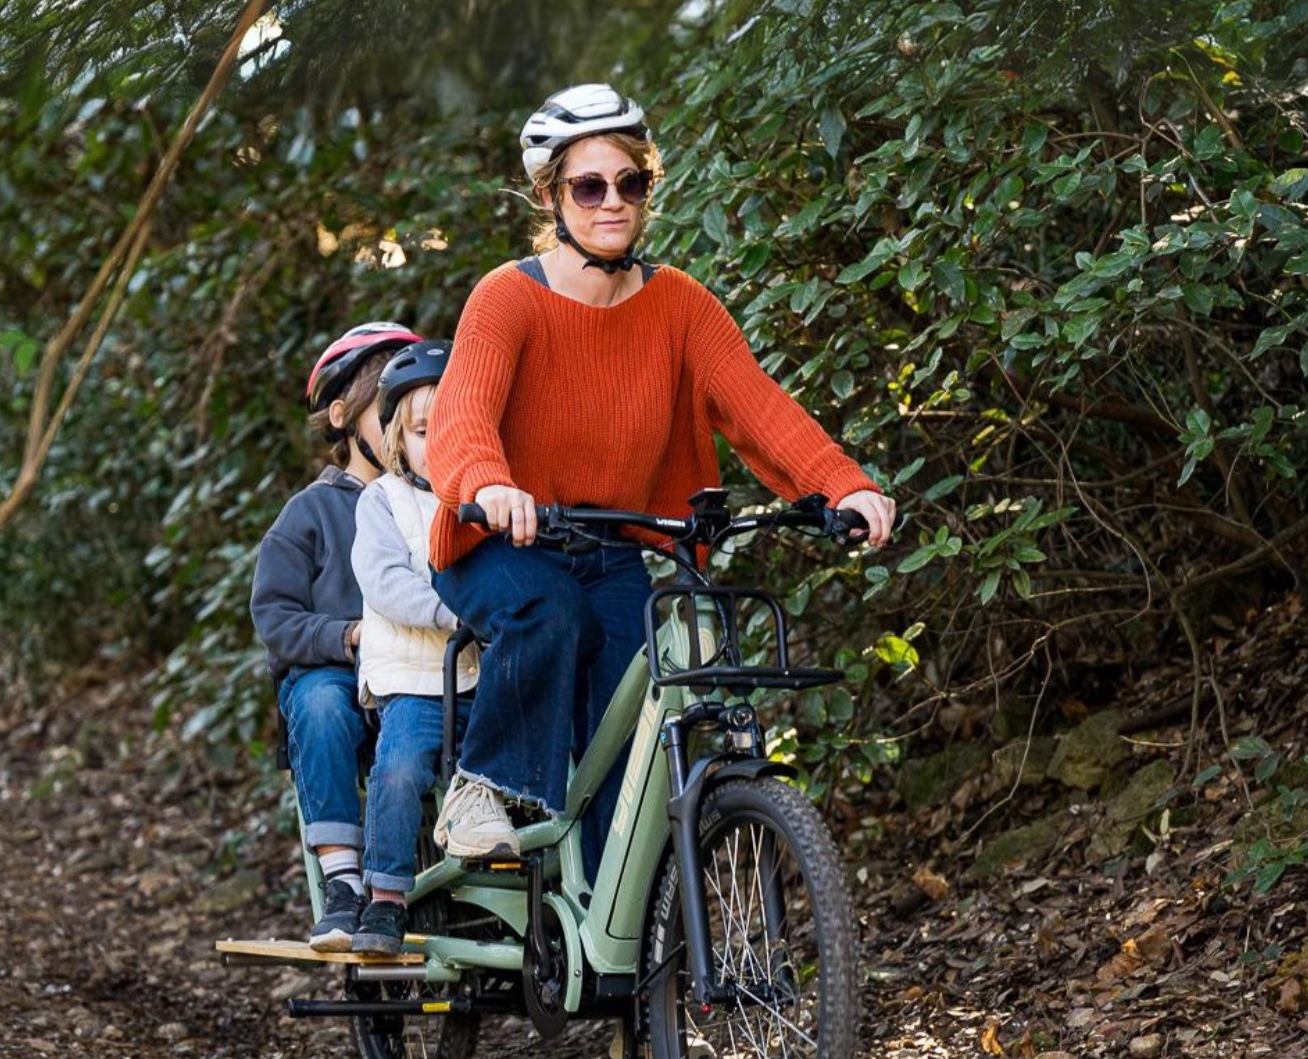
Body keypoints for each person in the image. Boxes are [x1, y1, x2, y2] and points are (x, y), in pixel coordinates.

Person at [425, 82, 896, 874]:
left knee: (634, 729)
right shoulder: (507, 298)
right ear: (550, 196)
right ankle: (482, 788)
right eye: (589, 187)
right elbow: (463, 410)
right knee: (550, 611)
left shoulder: (680, 305)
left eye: (631, 182)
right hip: (499, 544)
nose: (613, 202)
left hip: (610, 548)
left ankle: (622, 920)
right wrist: (488, 482)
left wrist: (841, 483)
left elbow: (757, 406)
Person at [250, 322, 421, 950]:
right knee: (320, 702)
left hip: (415, 676)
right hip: (338, 675)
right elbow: (274, 616)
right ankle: (343, 881)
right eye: (386, 408)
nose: (400, 424)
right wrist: (346, 634)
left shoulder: (426, 506)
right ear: (344, 417)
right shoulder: (311, 512)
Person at [349, 340, 480, 956]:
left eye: (451, 426)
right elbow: (385, 583)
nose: (438, 442)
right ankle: (386, 897)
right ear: (399, 441)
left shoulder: (484, 499)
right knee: (399, 769)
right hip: (416, 679)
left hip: (480, 677)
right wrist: (451, 613)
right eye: (424, 432)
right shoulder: (384, 501)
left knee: (519, 773)